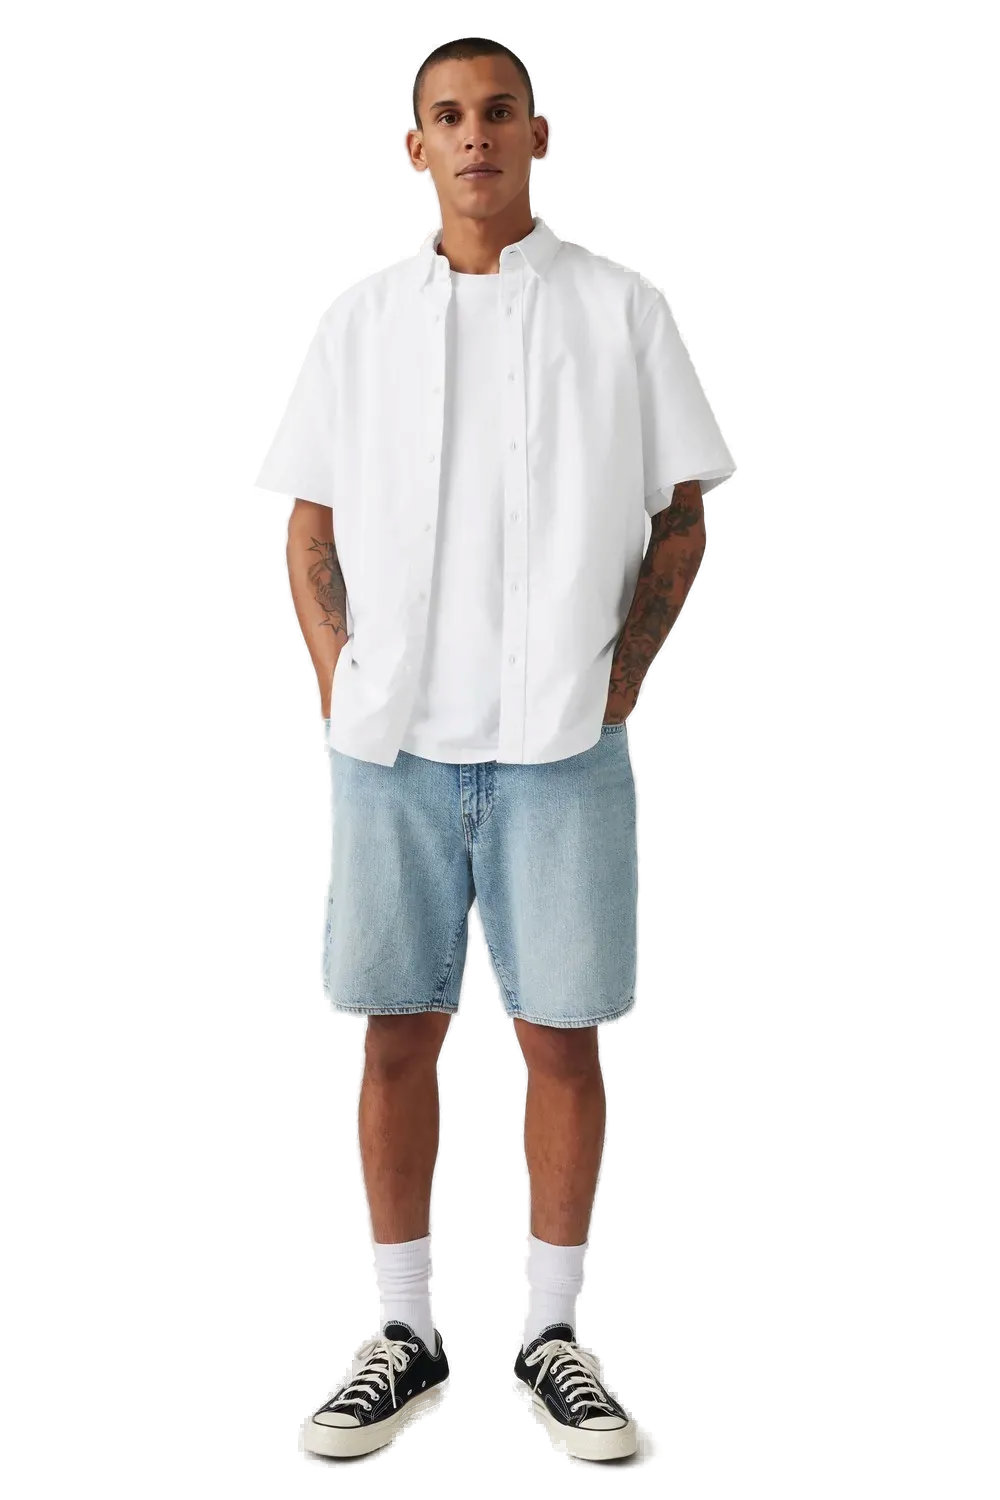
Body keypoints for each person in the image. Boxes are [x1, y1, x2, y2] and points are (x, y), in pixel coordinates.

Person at [256, 31, 727, 1463]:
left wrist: (625, 681)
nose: (476, 135)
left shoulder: (621, 309)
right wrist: (340, 685)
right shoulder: (356, 322)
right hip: (389, 749)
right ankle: (401, 1332)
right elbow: (305, 515)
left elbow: (685, 511)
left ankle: (554, 1338)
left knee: (563, 1033)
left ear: (537, 135)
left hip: (560, 746)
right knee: (391, 1029)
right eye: (450, 115)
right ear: (417, 147)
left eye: (500, 111)